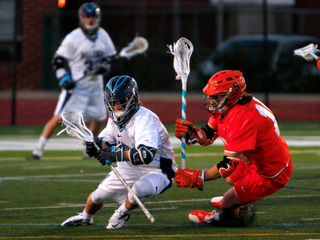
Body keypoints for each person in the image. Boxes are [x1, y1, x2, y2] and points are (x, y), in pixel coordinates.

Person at [174, 70, 293, 226]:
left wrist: (198, 177)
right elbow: (209, 134)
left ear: (232, 94)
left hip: (271, 172)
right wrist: (192, 134)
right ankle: (244, 203)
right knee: (232, 179)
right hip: (255, 160)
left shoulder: (243, 118)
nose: (211, 100)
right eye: (210, 96)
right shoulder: (230, 105)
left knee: (228, 201)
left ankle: (217, 219)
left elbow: (227, 166)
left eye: (216, 96)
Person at [61, 75, 178, 229]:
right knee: (97, 196)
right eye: (112, 102)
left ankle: (122, 212)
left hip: (157, 169)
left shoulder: (145, 118)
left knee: (139, 189)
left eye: (121, 100)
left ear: (133, 97)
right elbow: (105, 143)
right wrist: (94, 146)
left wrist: (115, 154)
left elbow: (146, 155)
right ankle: (85, 217)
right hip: (128, 167)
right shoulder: (114, 118)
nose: (116, 106)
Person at [31, 2, 117, 159]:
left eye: (93, 16)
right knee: (59, 118)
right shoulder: (73, 37)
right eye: (87, 16)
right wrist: (64, 77)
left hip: (95, 87)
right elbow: (57, 60)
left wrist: (105, 66)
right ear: (82, 18)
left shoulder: (103, 35)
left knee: (98, 118)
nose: (90, 19)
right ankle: (38, 149)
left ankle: (88, 148)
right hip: (77, 88)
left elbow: (109, 57)